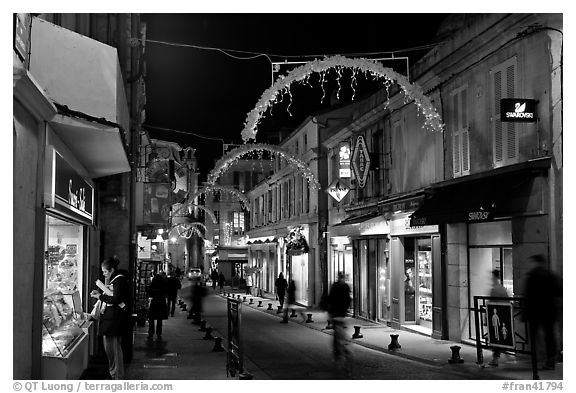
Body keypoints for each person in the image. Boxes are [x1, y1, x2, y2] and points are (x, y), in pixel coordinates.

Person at [90, 257, 130, 380]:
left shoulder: (119, 280)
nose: (103, 274)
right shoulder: (116, 280)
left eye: (105, 271)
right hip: (110, 320)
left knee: (113, 350)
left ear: (112, 270)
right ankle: (115, 374)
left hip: (113, 321)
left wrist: (100, 296)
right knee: (111, 349)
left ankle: (117, 376)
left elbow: (116, 299)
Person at [523, 254, 562, 370]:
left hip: (535, 312)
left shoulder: (532, 276)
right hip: (550, 312)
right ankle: (550, 360)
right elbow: (559, 292)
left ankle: (536, 359)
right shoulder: (552, 275)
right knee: (550, 336)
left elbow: (528, 295)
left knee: (534, 336)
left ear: (535, 262)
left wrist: (525, 313)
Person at [328, 272, 352, 372]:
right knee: (341, 332)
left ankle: (338, 353)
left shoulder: (335, 286)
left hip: (337, 314)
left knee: (337, 336)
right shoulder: (345, 286)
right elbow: (348, 299)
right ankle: (344, 347)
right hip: (341, 314)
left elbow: (330, 299)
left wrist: (330, 313)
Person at [488, 268, 509, 366]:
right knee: (499, 337)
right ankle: (498, 354)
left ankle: (495, 358)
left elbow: (492, 303)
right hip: (502, 316)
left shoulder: (495, 289)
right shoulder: (501, 288)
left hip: (498, 317)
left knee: (496, 338)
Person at [146, 274, 168, 340]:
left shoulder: (153, 285)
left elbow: (149, 293)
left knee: (151, 319)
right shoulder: (163, 285)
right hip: (161, 303)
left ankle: (150, 333)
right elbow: (166, 293)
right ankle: (159, 334)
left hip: (154, 302)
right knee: (159, 319)